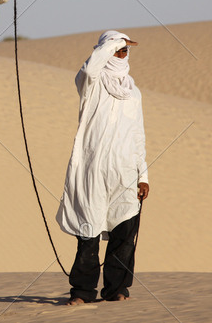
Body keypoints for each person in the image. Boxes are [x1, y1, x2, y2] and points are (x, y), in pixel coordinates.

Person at [56, 30, 150, 305]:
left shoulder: (134, 93)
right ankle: (82, 292)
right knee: (89, 232)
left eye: (124, 49)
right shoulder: (91, 83)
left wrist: (143, 175)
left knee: (124, 233)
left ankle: (117, 289)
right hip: (92, 171)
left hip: (125, 173)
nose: (122, 53)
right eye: (117, 49)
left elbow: (138, 136)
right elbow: (89, 70)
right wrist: (109, 46)